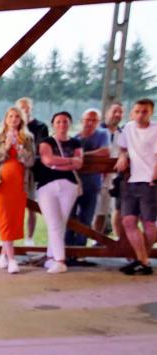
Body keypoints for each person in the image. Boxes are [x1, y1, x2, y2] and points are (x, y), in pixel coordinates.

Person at [0, 107, 35, 274]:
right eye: (11, 116)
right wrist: (5, 147)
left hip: (19, 185)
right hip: (1, 185)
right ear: (6, 119)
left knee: (14, 220)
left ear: (21, 120)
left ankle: (3, 255)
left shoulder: (27, 138)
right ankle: (12, 259)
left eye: (17, 117)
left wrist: (20, 150)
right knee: (4, 220)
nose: (14, 119)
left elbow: (30, 162)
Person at [37, 111, 84, 274]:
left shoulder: (76, 142)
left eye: (65, 121)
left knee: (60, 223)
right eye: (58, 122)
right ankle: (60, 260)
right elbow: (48, 160)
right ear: (53, 124)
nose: (62, 124)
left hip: (69, 185)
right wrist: (70, 161)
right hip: (47, 185)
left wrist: (58, 164)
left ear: (70, 123)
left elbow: (79, 163)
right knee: (54, 223)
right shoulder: (46, 142)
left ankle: (52, 257)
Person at [115, 98, 157, 276]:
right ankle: (142, 260)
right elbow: (123, 148)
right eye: (137, 111)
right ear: (132, 113)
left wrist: (154, 177)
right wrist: (122, 156)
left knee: (149, 223)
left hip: (149, 180)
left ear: (151, 113)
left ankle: (142, 260)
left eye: (145, 111)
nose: (140, 115)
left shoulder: (155, 130)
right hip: (131, 180)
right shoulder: (128, 128)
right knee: (128, 221)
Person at [66, 109, 109, 264]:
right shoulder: (75, 138)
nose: (90, 123)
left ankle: (80, 252)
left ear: (98, 122)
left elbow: (105, 152)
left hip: (92, 183)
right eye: (87, 119)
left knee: (86, 217)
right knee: (69, 217)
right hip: (72, 183)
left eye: (94, 120)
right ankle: (68, 251)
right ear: (81, 120)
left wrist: (82, 155)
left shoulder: (102, 134)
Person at [17, 97, 49, 246]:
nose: (24, 110)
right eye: (21, 107)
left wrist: (28, 157)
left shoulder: (41, 127)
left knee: (31, 206)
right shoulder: (14, 127)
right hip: (15, 172)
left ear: (31, 108)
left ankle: (29, 238)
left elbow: (42, 149)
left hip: (33, 171)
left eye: (27, 107)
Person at [94, 103, 124, 236]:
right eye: (114, 111)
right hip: (98, 176)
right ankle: (97, 239)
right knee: (98, 211)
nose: (117, 115)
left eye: (120, 112)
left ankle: (116, 240)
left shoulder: (124, 134)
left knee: (116, 210)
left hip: (118, 177)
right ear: (106, 113)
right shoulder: (97, 132)